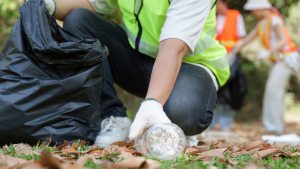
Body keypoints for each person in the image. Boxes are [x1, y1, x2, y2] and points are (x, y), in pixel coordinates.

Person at [41, 0, 230, 146]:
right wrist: (46, 4)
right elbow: (96, 3)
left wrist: (151, 105)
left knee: (183, 112)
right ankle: (114, 117)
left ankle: (170, 120)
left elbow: (174, 46)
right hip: (139, 60)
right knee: (78, 19)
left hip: (190, 66)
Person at [232, 0, 297, 133]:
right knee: (270, 91)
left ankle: (277, 128)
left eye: (253, 10)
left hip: (285, 59)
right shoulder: (262, 23)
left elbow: (283, 40)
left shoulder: (275, 20)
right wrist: (233, 52)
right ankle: (271, 127)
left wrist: (269, 51)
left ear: (261, 8)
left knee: (274, 91)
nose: (252, 13)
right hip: (276, 60)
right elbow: (248, 38)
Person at [210, 0, 247, 130]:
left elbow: (241, 38)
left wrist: (233, 53)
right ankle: (212, 123)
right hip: (216, 58)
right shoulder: (213, 17)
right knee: (215, 87)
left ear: (224, 3)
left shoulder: (235, 15)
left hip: (231, 57)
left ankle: (225, 123)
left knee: (228, 87)